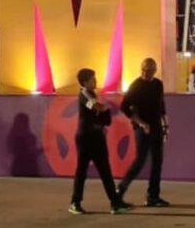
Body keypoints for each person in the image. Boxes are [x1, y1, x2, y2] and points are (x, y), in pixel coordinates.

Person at [69, 68, 132, 215]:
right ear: (85, 82)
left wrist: (103, 113)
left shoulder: (92, 94)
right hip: (86, 139)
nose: (96, 81)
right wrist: (105, 109)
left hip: (96, 138)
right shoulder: (84, 94)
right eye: (93, 78)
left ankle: (115, 203)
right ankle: (75, 202)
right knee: (82, 171)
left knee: (105, 170)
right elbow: (96, 107)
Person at [118, 58, 170, 207]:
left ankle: (153, 196)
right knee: (139, 161)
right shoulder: (136, 85)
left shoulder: (158, 84)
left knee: (157, 162)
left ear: (155, 70)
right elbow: (124, 106)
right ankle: (120, 190)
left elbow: (161, 107)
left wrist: (166, 125)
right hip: (142, 128)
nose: (146, 73)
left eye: (149, 70)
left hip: (156, 127)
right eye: (143, 69)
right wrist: (140, 123)